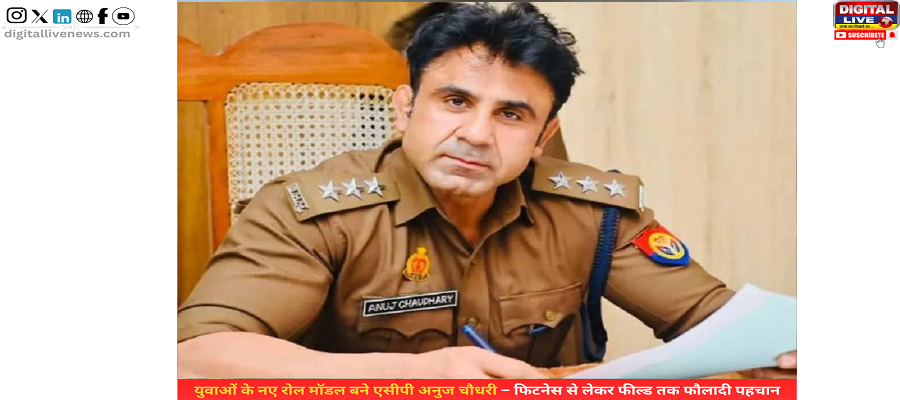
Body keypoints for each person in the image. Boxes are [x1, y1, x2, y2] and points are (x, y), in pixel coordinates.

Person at [177, 2, 795, 379]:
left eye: (511, 115)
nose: (476, 134)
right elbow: (195, 355)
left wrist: (787, 345)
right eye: (455, 101)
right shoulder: (310, 211)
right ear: (405, 108)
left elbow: (717, 324)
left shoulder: (594, 211)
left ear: (542, 135)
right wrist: (415, 373)